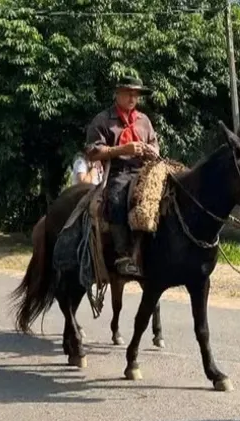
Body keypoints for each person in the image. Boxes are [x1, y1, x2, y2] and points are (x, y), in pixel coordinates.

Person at [84, 76, 160, 278]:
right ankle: (123, 254)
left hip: (145, 171)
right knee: (117, 198)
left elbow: (155, 145)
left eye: (136, 94)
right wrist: (122, 149)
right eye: (128, 93)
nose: (132, 98)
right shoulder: (103, 120)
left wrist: (152, 151)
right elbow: (92, 152)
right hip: (119, 172)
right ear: (117, 94)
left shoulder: (144, 120)